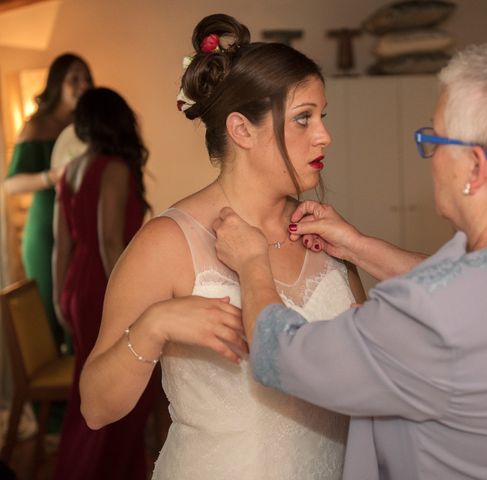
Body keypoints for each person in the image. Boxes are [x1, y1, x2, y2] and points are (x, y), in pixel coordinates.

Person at [213, 37, 487, 479]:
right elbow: (486, 289)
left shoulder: (433, 316)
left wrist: (251, 263)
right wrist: (357, 245)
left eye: (433, 140)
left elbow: (277, 355)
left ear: (476, 167)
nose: (431, 160)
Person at [79, 13, 366, 480]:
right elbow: (95, 407)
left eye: (322, 116)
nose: (324, 135)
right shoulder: (167, 243)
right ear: (241, 130)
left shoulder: (326, 234)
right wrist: (153, 327)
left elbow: (368, 370)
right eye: (303, 119)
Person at [51, 87, 153, 479]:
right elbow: (110, 241)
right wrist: (134, 299)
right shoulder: (113, 167)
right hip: (104, 286)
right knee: (121, 387)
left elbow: (62, 243)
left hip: (79, 285)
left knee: (88, 383)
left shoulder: (71, 169)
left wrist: (62, 295)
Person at [4, 53, 93, 353]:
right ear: (58, 84)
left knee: (81, 307)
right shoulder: (36, 126)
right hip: (45, 231)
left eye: (86, 78)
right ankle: (52, 397)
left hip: (81, 227)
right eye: (74, 79)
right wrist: (50, 177)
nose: (83, 85)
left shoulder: (88, 127)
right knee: (49, 311)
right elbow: (10, 184)